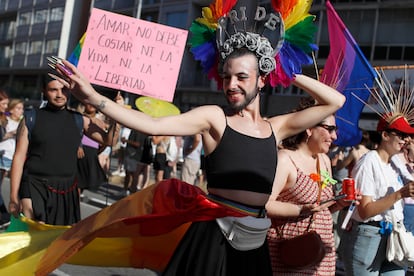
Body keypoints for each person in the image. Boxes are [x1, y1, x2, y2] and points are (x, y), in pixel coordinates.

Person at [38, 2, 345, 274]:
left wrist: (284, 70)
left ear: (262, 80)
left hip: (254, 246)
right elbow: (153, 125)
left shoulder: (276, 127)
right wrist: (94, 97)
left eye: (241, 77)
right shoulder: (214, 118)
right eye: (226, 77)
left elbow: (334, 102)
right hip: (211, 242)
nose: (231, 85)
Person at [8, 78, 121, 225]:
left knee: (60, 241)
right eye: (53, 90)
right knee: (36, 233)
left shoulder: (79, 120)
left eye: (64, 90)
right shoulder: (31, 117)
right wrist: (13, 197)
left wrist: (117, 112)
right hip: (34, 185)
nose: (59, 94)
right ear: (44, 91)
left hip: (67, 190)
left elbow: (109, 140)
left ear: (71, 91)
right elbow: (18, 157)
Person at [266, 98, 354, 275]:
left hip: (321, 252)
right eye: (329, 129)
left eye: (335, 130)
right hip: (293, 252)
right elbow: (264, 204)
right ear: (309, 128)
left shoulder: (324, 160)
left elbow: (321, 209)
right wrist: (300, 209)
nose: (334, 136)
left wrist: (340, 203)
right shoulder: (285, 160)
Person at [339, 115, 414, 275]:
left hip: (393, 236)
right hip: (369, 236)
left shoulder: (396, 163)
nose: (406, 140)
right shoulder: (368, 162)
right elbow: (365, 210)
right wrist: (399, 194)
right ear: (385, 135)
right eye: (401, 135)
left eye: (408, 136)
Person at [76, 103, 108, 197]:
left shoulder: (101, 123)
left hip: (92, 154)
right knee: (76, 184)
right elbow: (74, 134)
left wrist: (99, 151)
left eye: (93, 104)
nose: (91, 105)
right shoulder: (79, 118)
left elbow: (105, 142)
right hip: (79, 151)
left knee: (83, 183)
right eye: (88, 103)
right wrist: (78, 145)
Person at [120, 129, 148, 196]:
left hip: (134, 155)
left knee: (133, 175)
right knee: (129, 173)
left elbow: (137, 144)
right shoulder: (137, 130)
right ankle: (126, 190)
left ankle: (132, 191)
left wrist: (126, 140)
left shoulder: (137, 130)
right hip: (132, 154)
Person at [0, 90, 10, 226]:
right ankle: (5, 217)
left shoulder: (2, 119)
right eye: (3, 104)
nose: (6, 107)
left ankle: (5, 217)